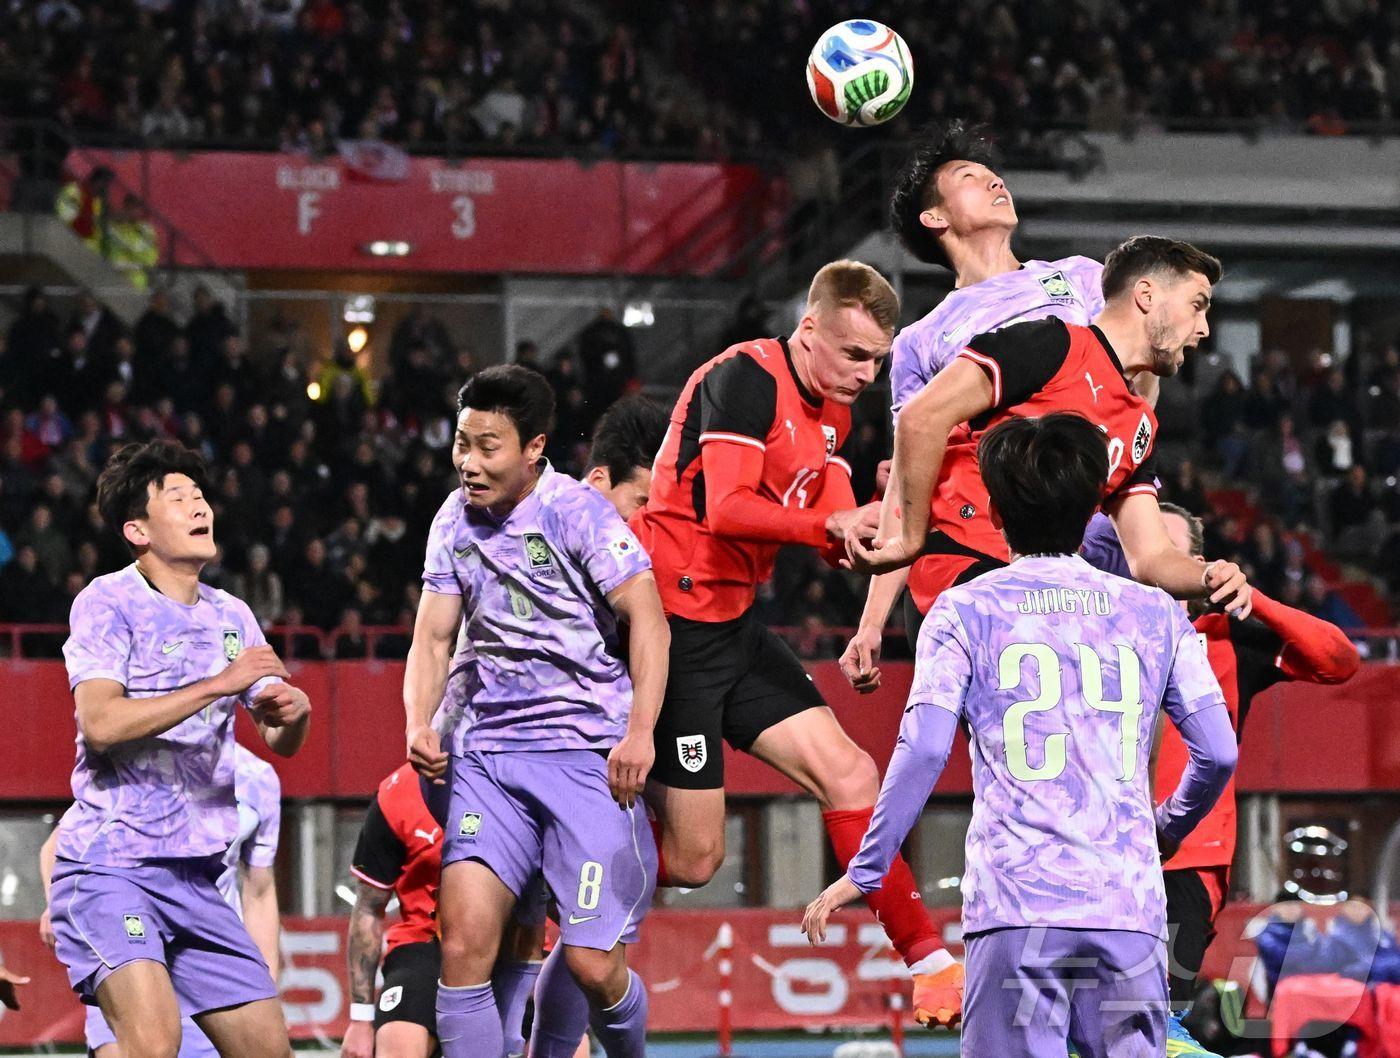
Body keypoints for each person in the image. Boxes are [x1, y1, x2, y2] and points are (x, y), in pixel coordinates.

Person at [802, 413, 1239, 1057]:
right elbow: (1219, 752)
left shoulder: (962, 610)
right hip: (1127, 909)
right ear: (1094, 513)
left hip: (1015, 906)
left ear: (996, 515)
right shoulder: (1156, 612)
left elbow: (924, 749)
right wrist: (1168, 826)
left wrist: (868, 868)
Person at [629, 260, 960, 1025]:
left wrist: (868, 531)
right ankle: (566, 849)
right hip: (674, 631)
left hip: (735, 625)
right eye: (854, 354)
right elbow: (727, 509)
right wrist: (829, 525)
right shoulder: (745, 377)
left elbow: (834, 514)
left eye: (877, 360)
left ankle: (931, 964)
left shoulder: (833, 407)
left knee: (851, 773)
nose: (866, 374)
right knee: (696, 861)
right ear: (809, 329)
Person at [403, 366, 668, 1058]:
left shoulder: (578, 514)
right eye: (462, 443)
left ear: (534, 447)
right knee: (463, 944)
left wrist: (640, 731)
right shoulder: (451, 520)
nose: (468, 462)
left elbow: (648, 619)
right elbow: (432, 637)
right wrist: (419, 722)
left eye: (487, 447)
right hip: (487, 757)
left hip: (585, 755)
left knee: (592, 965)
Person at [46, 438, 311, 1058]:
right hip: (112, 868)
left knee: (270, 1052)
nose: (200, 506)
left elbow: (279, 739)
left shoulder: (232, 615)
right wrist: (219, 683)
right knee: (155, 1044)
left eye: (200, 495)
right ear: (137, 530)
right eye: (178, 498)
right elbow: (101, 723)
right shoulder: (107, 602)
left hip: (197, 878)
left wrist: (296, 714)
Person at [847, 237, 1252, 631]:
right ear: (1146, 295)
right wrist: (908, 541)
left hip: (1041, 591)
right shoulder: (1050, 344)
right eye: (1197, 305)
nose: (1203, 329)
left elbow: (1151, 556)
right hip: (962, 571)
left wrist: (1207, 576)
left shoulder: (1138, 424)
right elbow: (920, 419)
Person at [844, 120, 1110, 678]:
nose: (995, 182)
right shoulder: (921, 341)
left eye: (994, 175)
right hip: (984, 551)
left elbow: (1138, 373)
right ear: (934, 218)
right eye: (970, 176)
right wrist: (870, 624)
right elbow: (909, 482)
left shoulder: (1080, 279)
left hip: (1090, 545)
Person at [1084, 504, 1360, 1012]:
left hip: (1187, 857)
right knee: (1076, 1015)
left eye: (1166, 549)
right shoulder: (1086, 630)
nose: (1149, 559)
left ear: (1197, 567)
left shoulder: (1227, 637)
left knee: (1152, 1010)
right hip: (1093, 851)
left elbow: (1339, 661)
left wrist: (1253, 599)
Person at [41, 744, 284, 1057]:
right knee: (148, 1048)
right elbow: (58, 844)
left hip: (203, 947)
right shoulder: (144, 755)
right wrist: (58, 903)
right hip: (124, 931)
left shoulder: (257, 777)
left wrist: (268, 986)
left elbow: (260, 892)